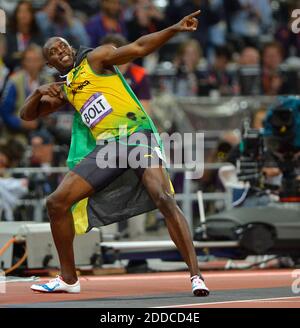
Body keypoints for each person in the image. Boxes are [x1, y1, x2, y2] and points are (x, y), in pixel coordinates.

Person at [21, 10, 209, 296]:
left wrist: (174, 28)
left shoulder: (96, 58)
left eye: (62, 46)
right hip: (108, 148)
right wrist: (37, 93)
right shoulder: (68, 88)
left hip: (136, 137)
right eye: (54, 52)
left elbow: (139, 47)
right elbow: (27, 116)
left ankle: (196, 276)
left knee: (163, 197)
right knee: (56, 203)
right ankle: (68, 279)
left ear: (70, 47)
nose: (60, 51)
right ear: (50, 63)